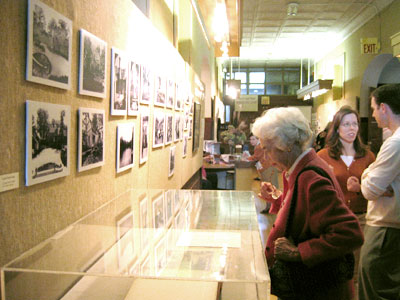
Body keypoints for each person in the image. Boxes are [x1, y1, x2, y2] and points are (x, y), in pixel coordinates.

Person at [253, 107, 364, 299]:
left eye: (267, 149)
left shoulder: (311, 176)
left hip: (319, 290)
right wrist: (279, 199)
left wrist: (299, 252)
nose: (267, 159)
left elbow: (350, 233)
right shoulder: (304, 167)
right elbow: (308, 211)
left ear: (285, 145)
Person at [317, 107, 375, 284]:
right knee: (333, 270)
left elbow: (379, 188)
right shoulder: (323, 157)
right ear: (337, 128)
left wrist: (360, 187)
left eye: (355, 124)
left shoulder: (368, 156)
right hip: (334, 221)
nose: (352, 128)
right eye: (346, 124)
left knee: (357, 272)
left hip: (361, 219)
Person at [358, 84, 400, 300]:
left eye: (373, 108)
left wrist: (366, 173)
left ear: (384, 108)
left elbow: (370, 189)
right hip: (390, 227)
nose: (372, 114)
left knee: (374, 291)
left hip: (384, 228)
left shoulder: (395, 143)